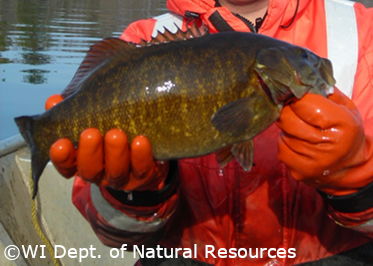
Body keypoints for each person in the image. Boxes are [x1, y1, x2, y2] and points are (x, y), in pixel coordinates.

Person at [45, 0, 373, 265]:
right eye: (303, 58)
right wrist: (136, 192)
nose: (310, 63)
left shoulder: (362, 32)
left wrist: (359, 179)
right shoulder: (144, 39)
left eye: (305, 57)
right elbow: (114, 234)